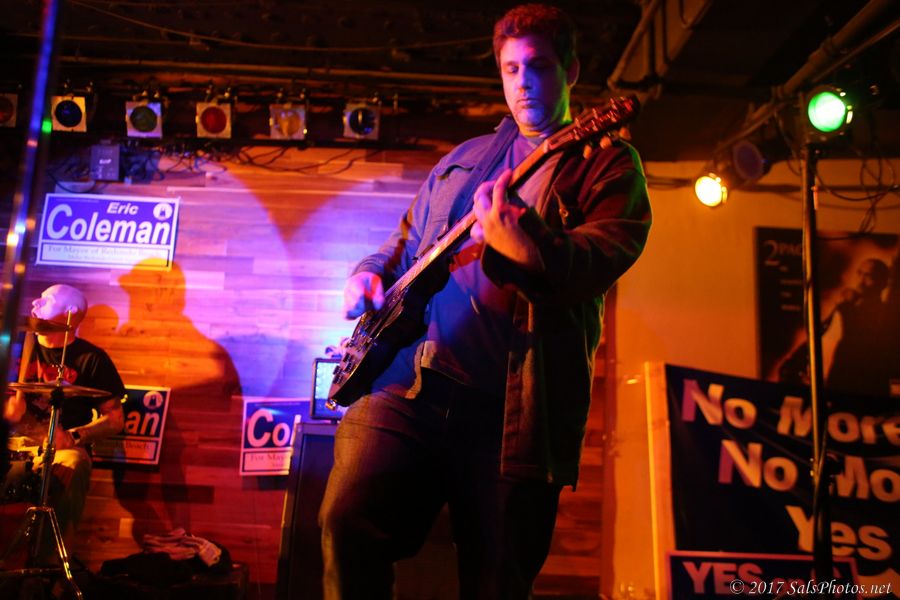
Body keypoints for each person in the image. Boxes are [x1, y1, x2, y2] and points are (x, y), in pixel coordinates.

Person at [318, 4, 651, 599]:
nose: (524, 82)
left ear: (571, 71)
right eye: (511, 69)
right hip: (412, 383)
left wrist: (524, 242)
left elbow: (602, 257)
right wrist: (365, 275)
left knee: (497, 582)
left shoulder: (606, 163)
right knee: (347, 522)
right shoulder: (464, 158)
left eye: (539, 66)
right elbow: (403, 244)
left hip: (514, 414)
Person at [3, 283, 125, 561]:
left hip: (61, 448)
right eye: (37, 298)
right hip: (11, 442)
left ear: (70, 312)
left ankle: (48, 566)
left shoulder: (91, 359)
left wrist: (74, 437)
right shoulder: (14, 349)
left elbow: (115, 420)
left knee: (74, 463)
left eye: (46, 300)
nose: (35, 303)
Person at [823, 257, 893, 397]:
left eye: (868, 276)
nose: (860, 281)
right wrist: (837, 305)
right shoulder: (847, 305)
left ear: (883, 283)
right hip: (840, 375)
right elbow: (818, 331)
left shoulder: (887, 312)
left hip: (868, 382)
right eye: (859, 273)